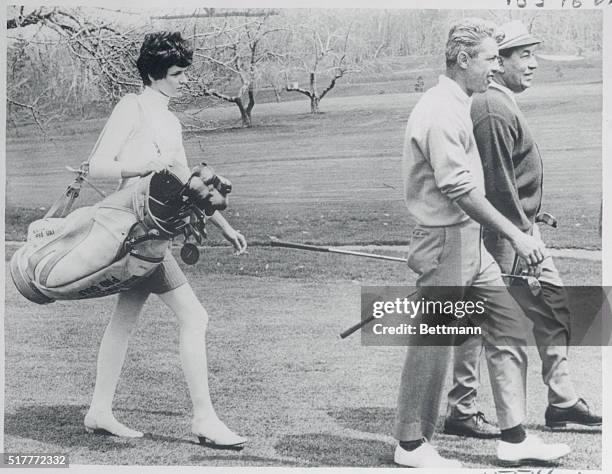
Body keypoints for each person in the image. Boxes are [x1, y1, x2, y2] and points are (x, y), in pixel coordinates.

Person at [393, 18, 571, 468]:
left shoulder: (461, 102)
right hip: (445, 241)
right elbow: (459, 188)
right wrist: (514, 232)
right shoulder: (439, 109)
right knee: (433, 342)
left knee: (507, 326)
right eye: (491, 58)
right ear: (463, 59)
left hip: (471, 244)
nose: (495, 68)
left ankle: (514, 439)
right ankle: (411, 445)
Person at [84, 31, 248, 449]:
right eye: (176, 73)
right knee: (195, 318)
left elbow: (189, 186)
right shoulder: (132, 107)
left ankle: (99, 411)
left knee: (124, 320)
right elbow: (97, 167)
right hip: (132, 232)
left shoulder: (171, 121)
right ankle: (204, 419)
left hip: (152, 234)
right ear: (156, 74)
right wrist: (146, 163)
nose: (183, 80)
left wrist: (227, 229)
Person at [444, 20, 601, 439]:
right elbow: (495, 186)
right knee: (490, 320)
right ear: (498, 65)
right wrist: (519, 238)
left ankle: (562, 400)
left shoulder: (500, 101)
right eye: (522, 55)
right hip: (506, 235)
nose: (533, 64)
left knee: (544, 310)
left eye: (532, 54)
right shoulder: (492, 108)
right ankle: (464, 407)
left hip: (519, 230)